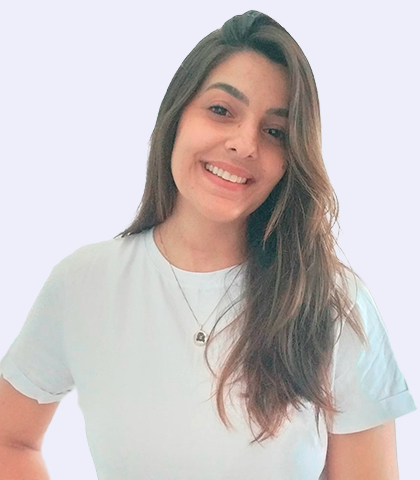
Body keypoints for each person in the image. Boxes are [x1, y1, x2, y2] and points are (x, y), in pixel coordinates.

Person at [0, 10, 416, 480]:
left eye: (275, 132)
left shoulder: (332, 303)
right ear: (176, 116)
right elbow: (10, 440)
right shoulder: (84, 284)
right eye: (221, 110)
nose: (245, 144)